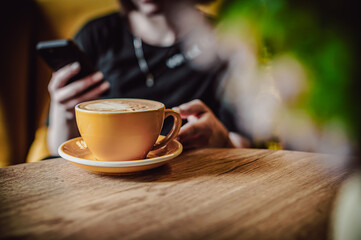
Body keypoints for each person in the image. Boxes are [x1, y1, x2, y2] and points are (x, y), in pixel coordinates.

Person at [47, 0, 250, 156]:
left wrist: (223, 141)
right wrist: (63, 111)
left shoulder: (226, 39)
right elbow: (58, 150)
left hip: (197, 175)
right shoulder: (97, 36)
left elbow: (245, 142)